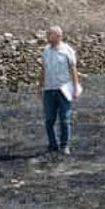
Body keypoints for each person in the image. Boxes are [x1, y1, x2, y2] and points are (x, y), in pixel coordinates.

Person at [40, 26, 81, 155]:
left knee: (64, 119)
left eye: (49, 34)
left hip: (64, 89)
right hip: (49, 89)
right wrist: (40, 86)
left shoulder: (67, 51)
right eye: (47, 34)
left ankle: (65, 145)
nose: (47, 37)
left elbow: (73, 69)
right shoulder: (46, 50)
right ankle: (52, 144)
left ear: (58, 36)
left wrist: (75, 87)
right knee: (49, 119)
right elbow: (43, 68)